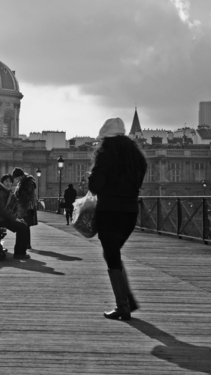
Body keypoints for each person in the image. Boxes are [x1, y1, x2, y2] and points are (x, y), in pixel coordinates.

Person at [88, 117, 147, 321]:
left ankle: (124, 306)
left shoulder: (106, 155)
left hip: (109, 211)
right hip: (130, 212)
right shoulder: (137, 157)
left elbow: (95, 186)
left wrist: (92, 175)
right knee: (113, 254)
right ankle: (127, 301)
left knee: (111, 256)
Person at [0, 174, 30, 259]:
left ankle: (21, 252)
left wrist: (17, 218)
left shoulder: (4, 192)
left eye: (10, 182)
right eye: (6, 181)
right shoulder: (0, 192)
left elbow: (9, 209)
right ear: (2, 182)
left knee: (23, 225)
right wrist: (15, 219)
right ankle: (19, 253)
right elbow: (2, 210)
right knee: (22, 227)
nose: (8, 183)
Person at [12, 167, 37, 249]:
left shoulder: (27, 183)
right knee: (25, 225)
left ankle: (26, 244)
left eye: (16, 177)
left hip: (26, 207)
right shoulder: (24, 182)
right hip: (24, 206)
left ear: (20, 176)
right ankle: (26, 243)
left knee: (25, 225)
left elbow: (24, 194)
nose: (16, 179)